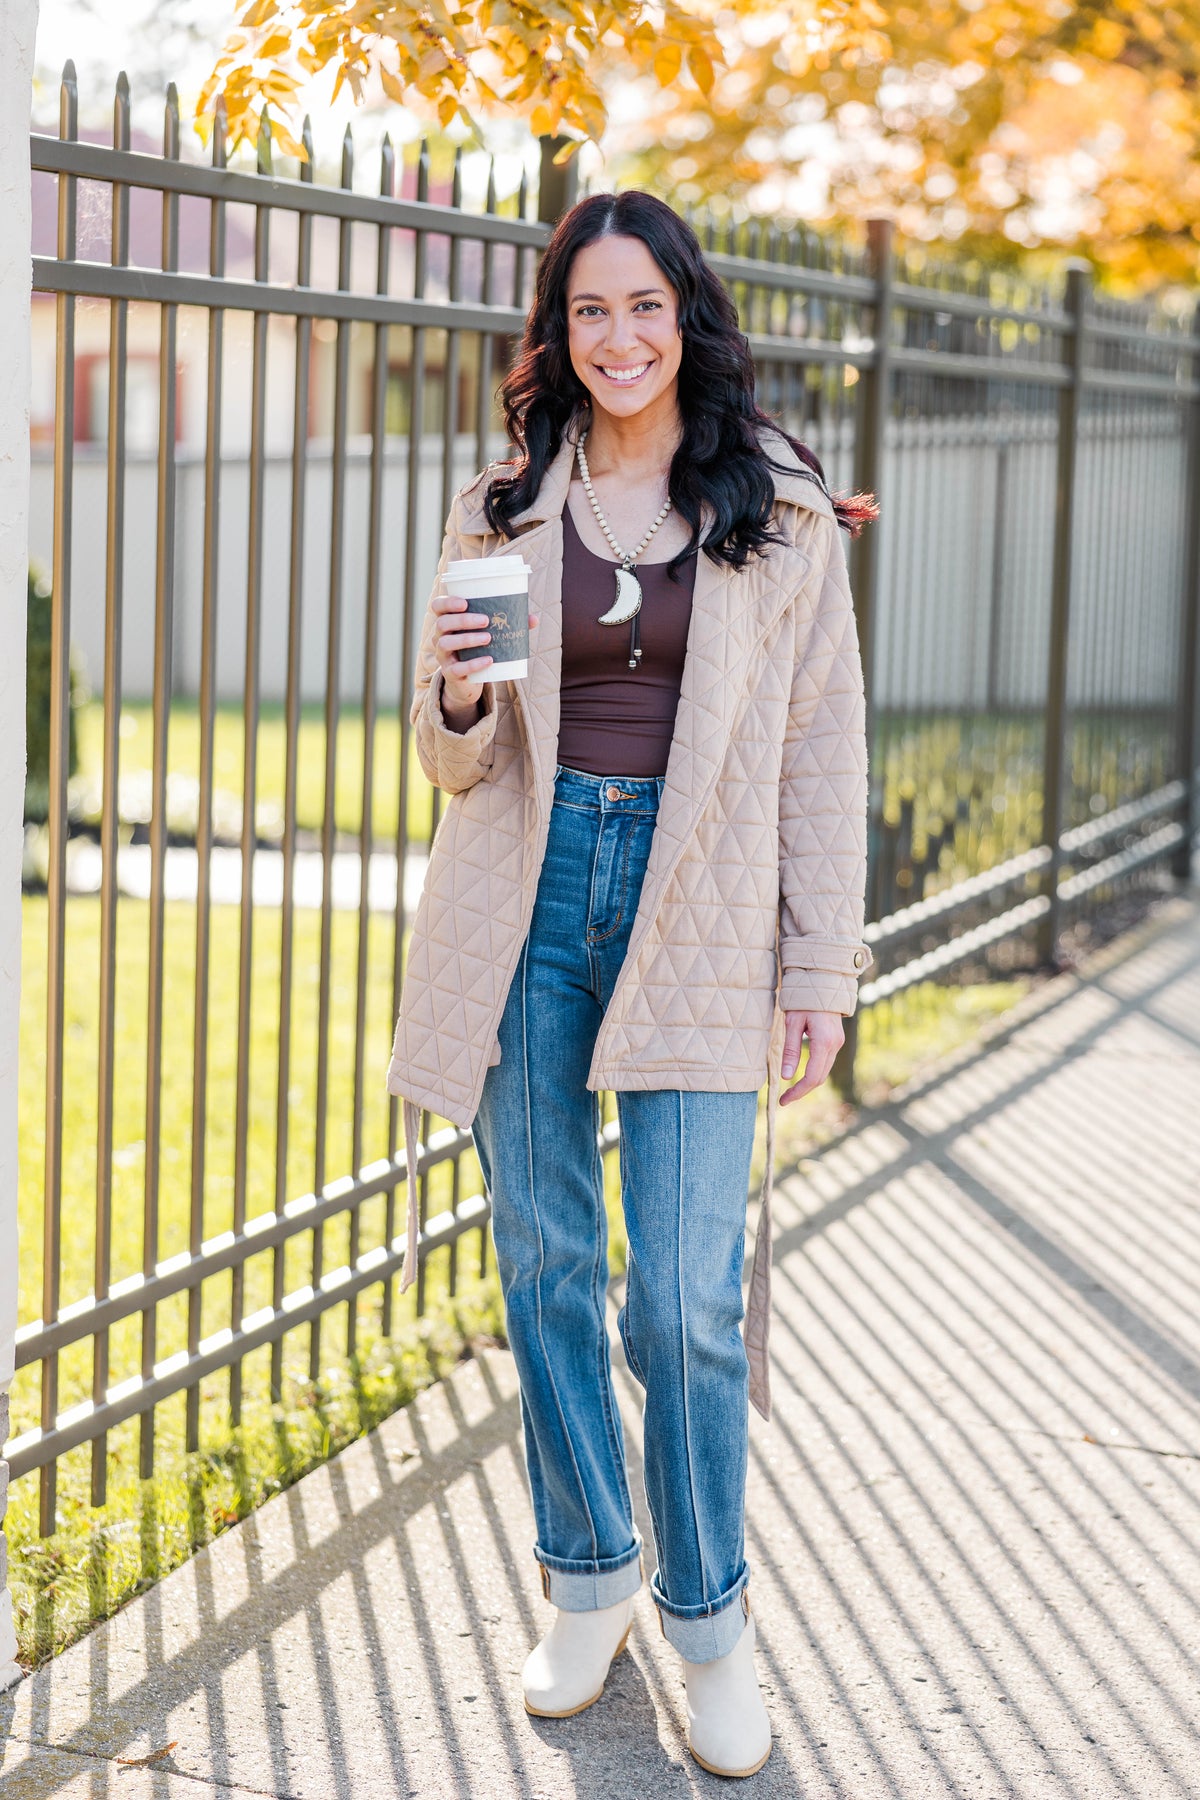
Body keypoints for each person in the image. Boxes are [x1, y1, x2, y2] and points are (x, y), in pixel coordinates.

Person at [387, 188, 875, 1780]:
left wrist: (820, 968)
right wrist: (457, 691)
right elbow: (453, 758)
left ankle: (711, 1622)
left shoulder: (778, 510)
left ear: (689, 318)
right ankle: (586, 1578)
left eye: (645, 309)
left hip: (702, 905)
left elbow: (818, 755)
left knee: (684, 1301)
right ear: (560, 329)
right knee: (544, 1266)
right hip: (528, 898)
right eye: (589, 312)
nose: (618, 341)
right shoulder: (504, 499)